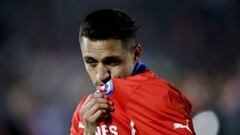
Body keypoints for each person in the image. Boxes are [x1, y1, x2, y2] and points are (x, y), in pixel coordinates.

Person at [70, 9, 196, 135]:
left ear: (136, 54)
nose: (101, 75)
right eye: (91, 62)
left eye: (112, 62)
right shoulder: (84, 113)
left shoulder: (160, 98)